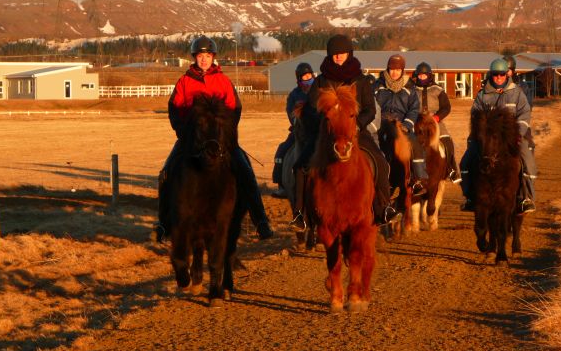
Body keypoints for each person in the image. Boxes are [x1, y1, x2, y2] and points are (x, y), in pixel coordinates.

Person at [153, 35, 274, 242]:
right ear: (195, 57)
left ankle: (260, 221)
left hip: (221, 140)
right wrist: (183, 131)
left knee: (246, 171)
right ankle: (164, 223)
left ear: (213, 57)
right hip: (192, 140)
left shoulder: (223, 81)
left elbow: (235, 108)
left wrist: (225, 132)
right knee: (166, 173)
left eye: (207, 55)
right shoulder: (184, 82)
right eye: (200, 55)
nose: (204, 59)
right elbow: (174, 108)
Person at [289, 34, 400, 231]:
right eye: (334, 54)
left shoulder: (361, 80)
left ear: (349, 53)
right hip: (326, 135)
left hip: (354, 132)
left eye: (342, 53)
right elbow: (311, 109)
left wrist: (357, 125)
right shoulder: (322, 81)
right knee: (300, 166)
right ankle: (301, 213)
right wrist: (324, 125)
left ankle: (383, 206)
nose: (338, 57)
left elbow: (369, 109)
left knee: (381, 162)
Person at [459, 57, 537, 214]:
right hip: (488, 138)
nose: (499, 78)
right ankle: (470, 197)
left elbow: (524, 114)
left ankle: (526, 198)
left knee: (528, 161)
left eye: (502, 75)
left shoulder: (517, 93)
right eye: (495, 75)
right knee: (465, 162)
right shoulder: (482, 95)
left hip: (511, 137)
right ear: (491, 75)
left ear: (507, 75)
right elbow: (475, 115)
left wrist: (517, 134)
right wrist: (480, 133)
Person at [374, 54, 428, 197]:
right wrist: (377, 122)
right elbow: (373, 106)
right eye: (392, 69)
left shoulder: (410, 87)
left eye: (398, 69)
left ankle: (418, 179)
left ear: (402, 70)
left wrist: (407, 125)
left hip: (402, 124)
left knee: (415, 145)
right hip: (382, 123)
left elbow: (414, 109)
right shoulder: (378, 85)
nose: (394, 72)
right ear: (388, 69)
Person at [411, 61, 462, 184]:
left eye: (424, 75)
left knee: (448, 142)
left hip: (435, 123)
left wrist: (437, 117)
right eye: (420, 75)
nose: (422, 78)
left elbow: (446, 107)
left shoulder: (438, 90)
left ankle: (452, 169)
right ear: (416, 76)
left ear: (430, 76)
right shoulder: (412, 90)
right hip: (416, 123)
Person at [271, 62, 314, 198]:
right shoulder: (294, 95)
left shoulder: (319, 89)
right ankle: (282, 185)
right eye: (304, 77)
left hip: (317, 130)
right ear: (299, 79)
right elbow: (291, 113)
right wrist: (298, 122)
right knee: (281, 151)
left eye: (309, 76)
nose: (308, 79)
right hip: (300, 131)